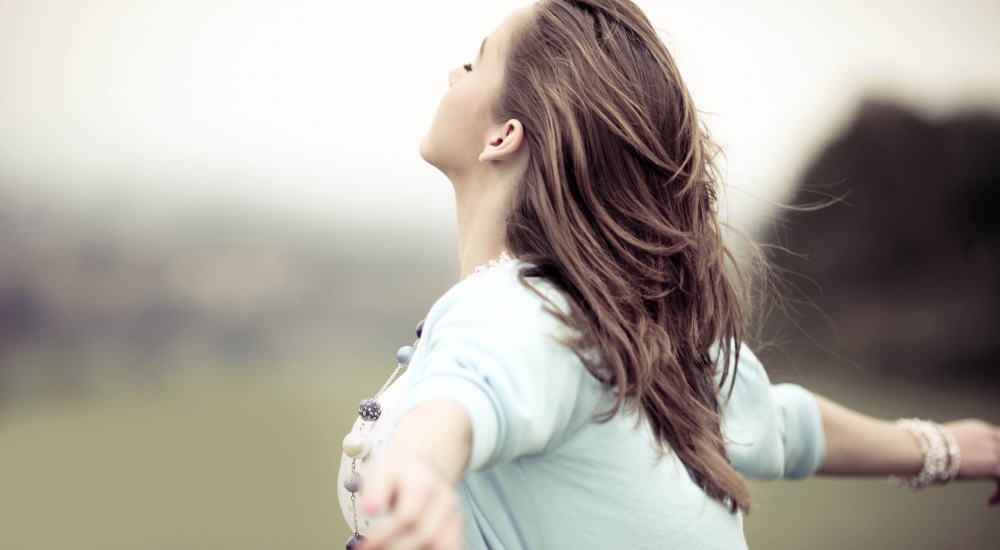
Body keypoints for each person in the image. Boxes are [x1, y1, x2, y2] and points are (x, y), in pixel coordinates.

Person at [346, 1, 1000, 548]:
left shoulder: (516, 308)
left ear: (503, 135)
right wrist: (942, 446)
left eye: (478, 58)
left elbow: (462, 400)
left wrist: (417, 472)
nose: (453, 69)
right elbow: (783, 424)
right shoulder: (644, 331)